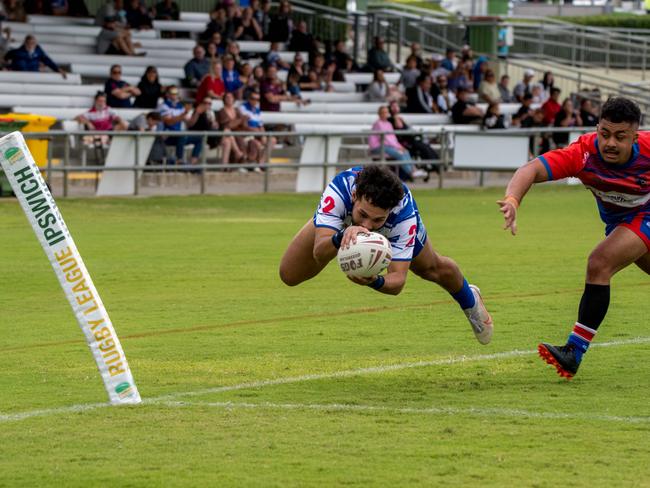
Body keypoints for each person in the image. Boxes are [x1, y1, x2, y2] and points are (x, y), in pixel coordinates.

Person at [497, 97, 649, 379]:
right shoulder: (583, 154)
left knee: (599, 262)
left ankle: (573, 352)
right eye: (604, 134)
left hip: (645, 215)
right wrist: (513, 199)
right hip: (620, 222)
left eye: (620, 136)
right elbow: (530, 170)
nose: (610, 143)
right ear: (597, 128)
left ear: (635, 136)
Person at [279, 165, 494, 347]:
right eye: (363, 215)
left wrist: (375, 281)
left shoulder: (403, 215)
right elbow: (319, 253)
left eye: (377, 220)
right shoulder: (340, 191)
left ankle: (470, 300)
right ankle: (329, 221)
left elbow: (398, 281)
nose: (368, 226)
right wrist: (339, 236)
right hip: (343, 218)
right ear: (355, 196)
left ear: (389, 212)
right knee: (289, 274)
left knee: (432, 268)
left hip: (393, 229)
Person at [369, 105, 417, 182]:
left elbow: (393, 138)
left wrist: (399, 146)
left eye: (386, 112)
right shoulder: (378, 124)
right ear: (379, 114)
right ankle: (410, 173)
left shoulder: (388, 124)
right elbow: (385, 139)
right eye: (383, 112)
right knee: (399, 154)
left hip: (387, 146)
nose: (385, 114)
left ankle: (414, 170)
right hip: (378, 147)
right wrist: (397, 147)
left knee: (405, 151)